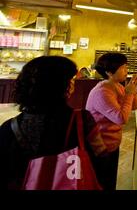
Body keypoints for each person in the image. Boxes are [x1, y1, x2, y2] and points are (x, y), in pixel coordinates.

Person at [0, 56, 106, 190]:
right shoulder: (82, 119)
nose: (73, 83)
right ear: (61, 86)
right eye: (70, 80)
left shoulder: (9, 127)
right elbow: (101, 156)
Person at [86, 52, 137, 190]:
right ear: (109, 72)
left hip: (112, 143)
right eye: (122, 68)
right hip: (101, 145)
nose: (126, 70)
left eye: (126, 66)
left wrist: (133, 90)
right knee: (102, 182)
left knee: (110, 179)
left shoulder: (118, 85)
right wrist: (128, 93)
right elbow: (121, 118)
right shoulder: (102, 91)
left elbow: (134, 106)